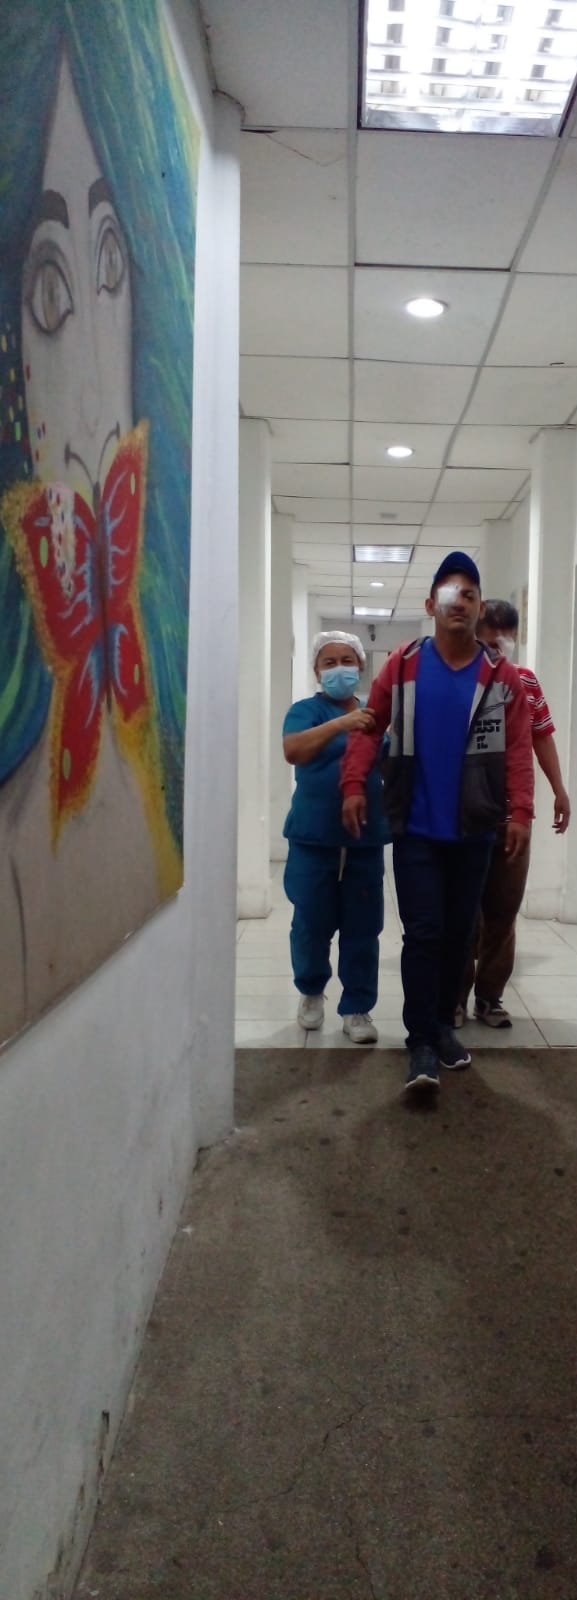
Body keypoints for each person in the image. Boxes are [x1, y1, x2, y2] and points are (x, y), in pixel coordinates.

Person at [0, 4, 196, 1043]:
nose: (87, 382)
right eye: (48, 290)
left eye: (110, 263)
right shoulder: (17, 857)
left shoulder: (157, 732)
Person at [341, 553, 534, 1093]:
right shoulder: (402, 666)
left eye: (470, 594)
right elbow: (368, 728)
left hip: (474, 831)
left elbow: (519, 749)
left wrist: (521, 811)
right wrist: (353, 785)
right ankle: (421, 1041)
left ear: (479, 607)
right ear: (431, 605)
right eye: (451, 594)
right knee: (424, 935)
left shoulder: (501, 677)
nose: (460, 602)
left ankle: (444, 1029)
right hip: (417, 831)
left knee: (458, 937)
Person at [458, 599, 571, 1030]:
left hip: (512, 817)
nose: (496, 646)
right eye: (488, 637)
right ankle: (454, 997)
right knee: (462, 911)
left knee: (502, 912)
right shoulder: (456, 678)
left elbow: (541, 738)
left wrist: (559, 789)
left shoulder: (525, 681)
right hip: (464, 815)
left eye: (503, 638)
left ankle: (490, 997)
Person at [282, 631, 389, 1044]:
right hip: (313, 839)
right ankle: (311, 991)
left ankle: (357, 1007)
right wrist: (343, 723)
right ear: (316, 671)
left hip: (364, 840)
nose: (339, 669)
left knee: (363, 928)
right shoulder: (305, 711)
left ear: (360, 667)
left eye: (347, 661)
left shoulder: (375, 717)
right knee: (310, 923)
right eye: (329, 662)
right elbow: (293, 750)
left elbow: (392, 763)